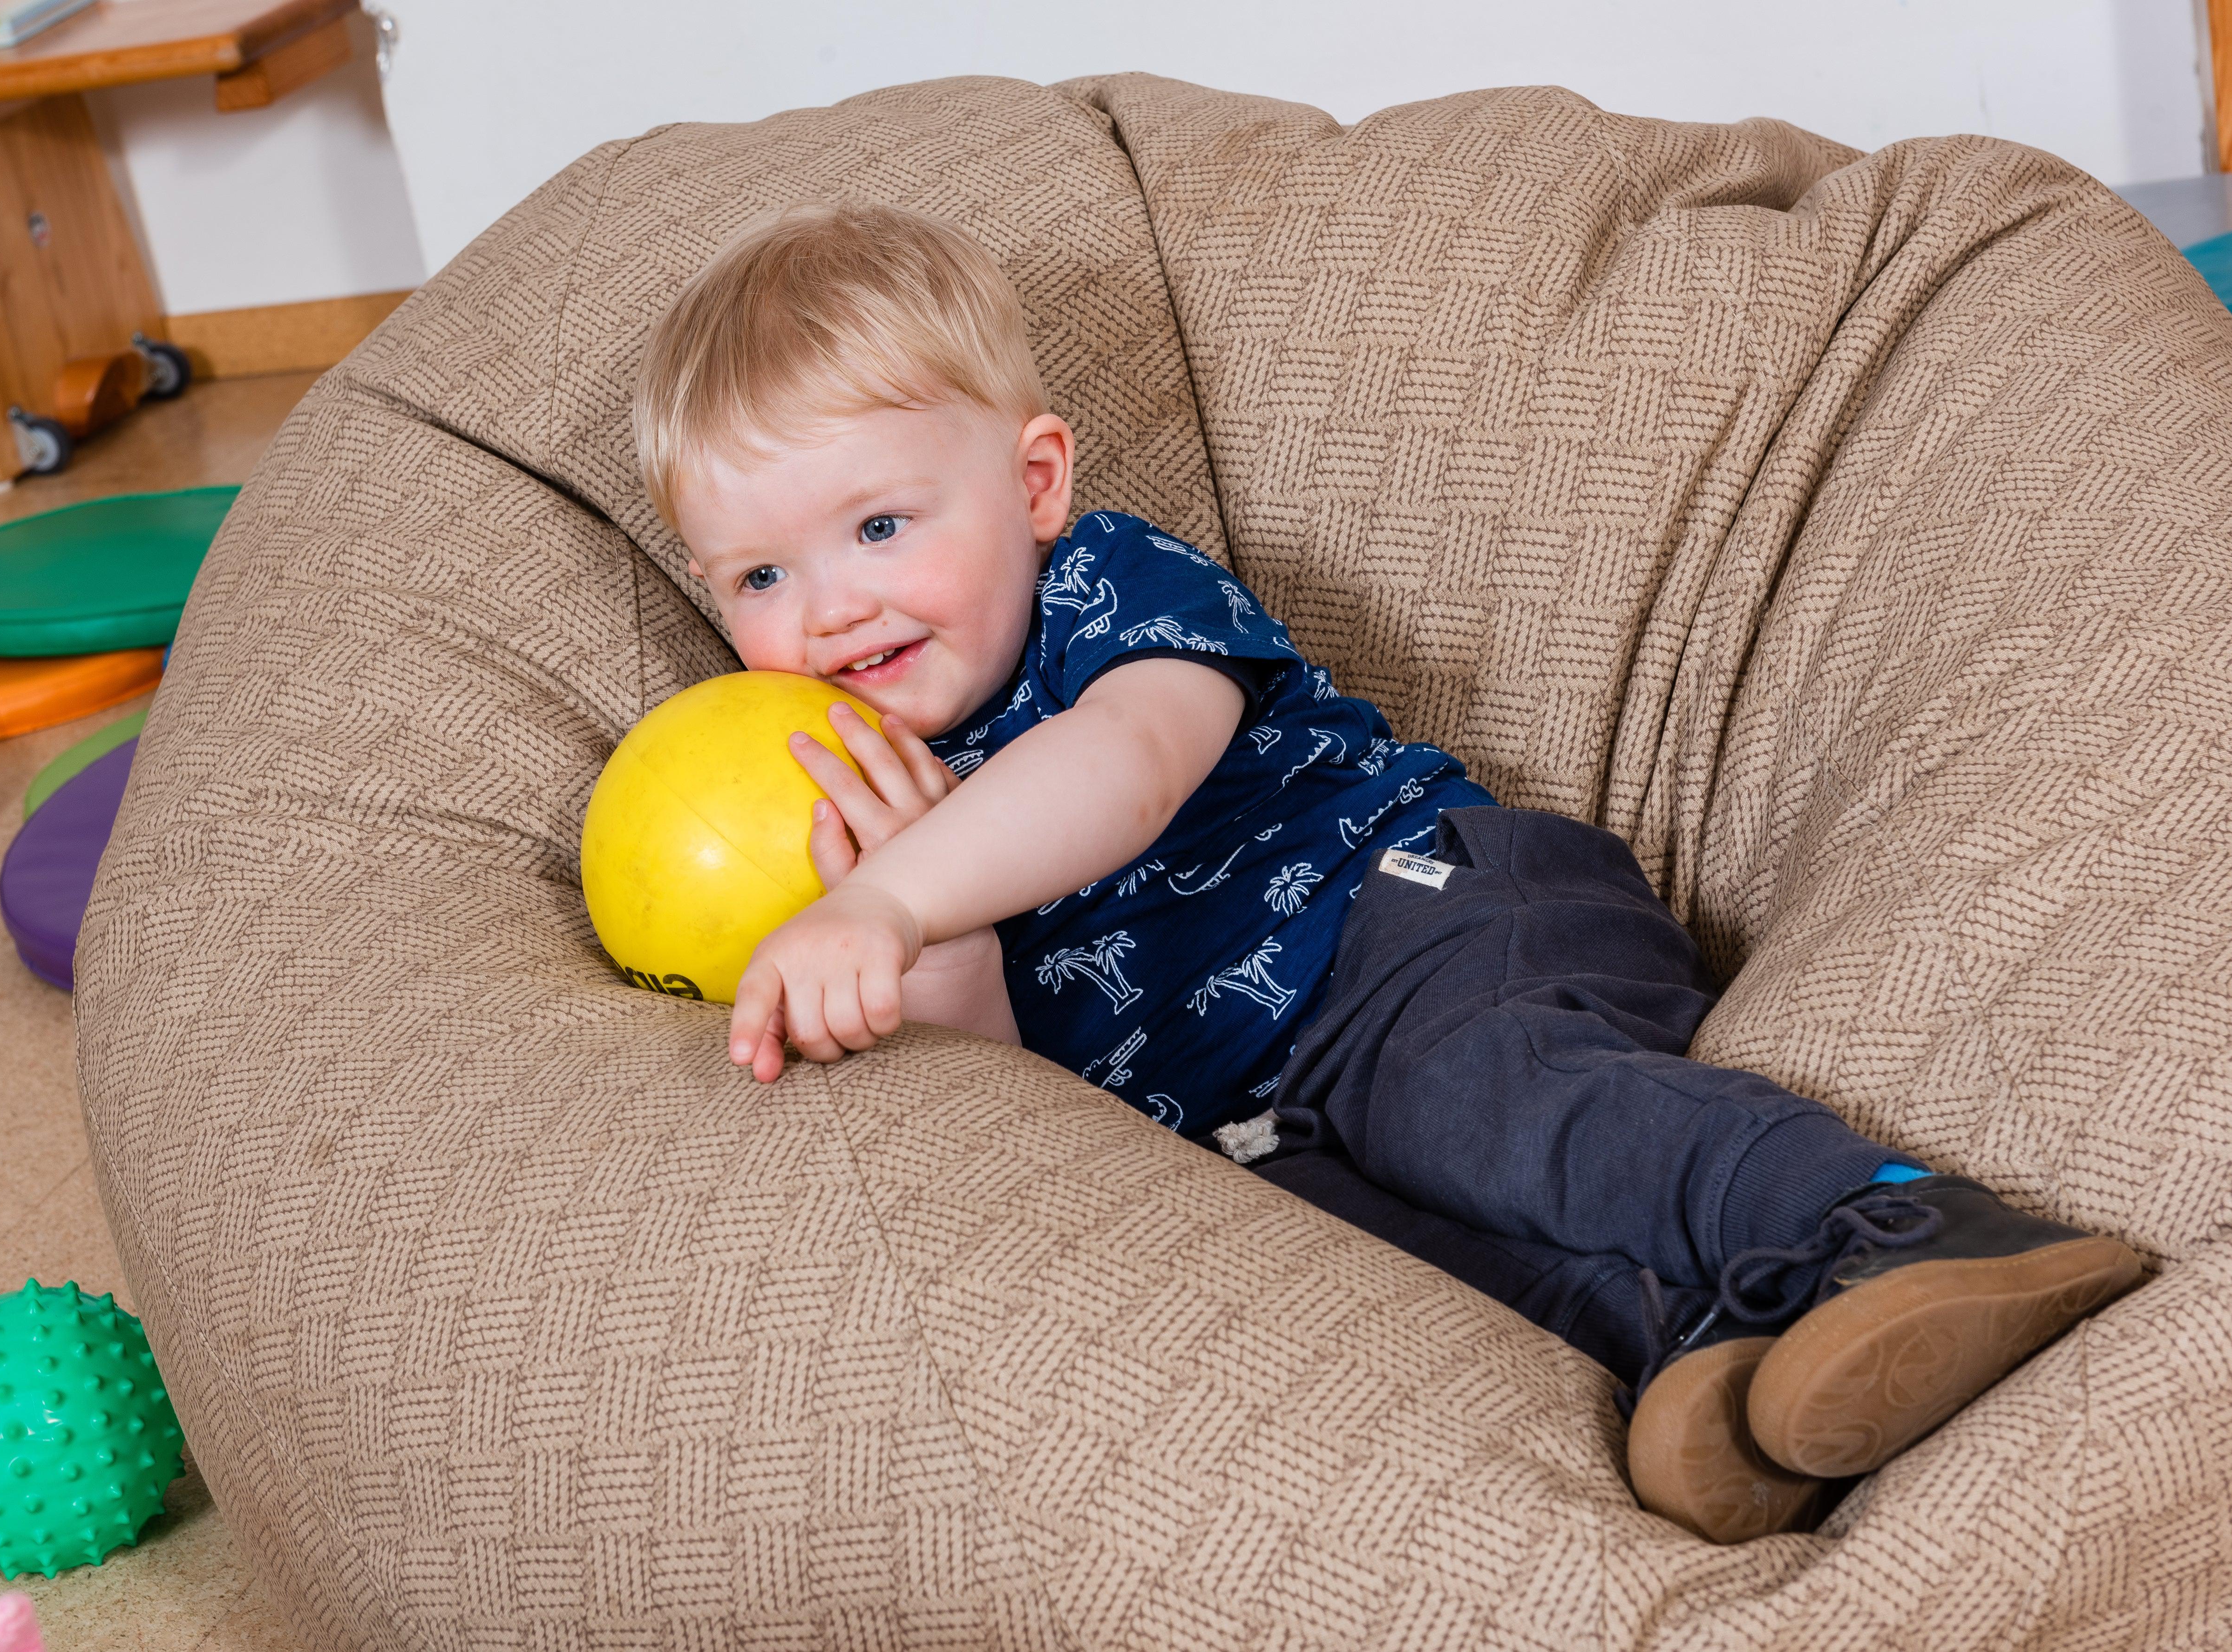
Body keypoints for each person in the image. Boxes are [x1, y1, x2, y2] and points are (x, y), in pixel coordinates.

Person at [627, 199, 2143, 1543]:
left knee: (1495, 1101)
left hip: (1420, 921)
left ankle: (1886, 1225)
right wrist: (935, 963)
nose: (831, 608)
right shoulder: (834, 792)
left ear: (1031, 484)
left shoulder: (1104, 588)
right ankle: (1725, 1364)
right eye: (760, 575)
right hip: (1252, 1118)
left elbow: (1129, 768)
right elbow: (1018, 1108)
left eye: (880, 525)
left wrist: (891, 903)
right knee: (1399, 1281)